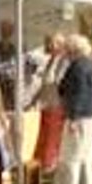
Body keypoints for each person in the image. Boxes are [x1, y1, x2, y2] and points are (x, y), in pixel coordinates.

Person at [55, 35, 92, 184]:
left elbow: (77, 93)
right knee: (87, 154)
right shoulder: (91, 64)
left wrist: (74, 118)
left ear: (72, 51)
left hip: (81, 115)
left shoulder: (77, 67)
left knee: (71, 153)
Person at [31, 33, 69, 174]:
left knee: (52, 140)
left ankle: (50, 168)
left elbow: (60, 83)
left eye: (52, 43)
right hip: (46, 104)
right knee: (45, 139)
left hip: (57, 104)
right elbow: (44, 84)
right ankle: (45, 168)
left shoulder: (63, 61)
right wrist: (34, 101)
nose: (48, 46)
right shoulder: (49, 61)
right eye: (48, 43)